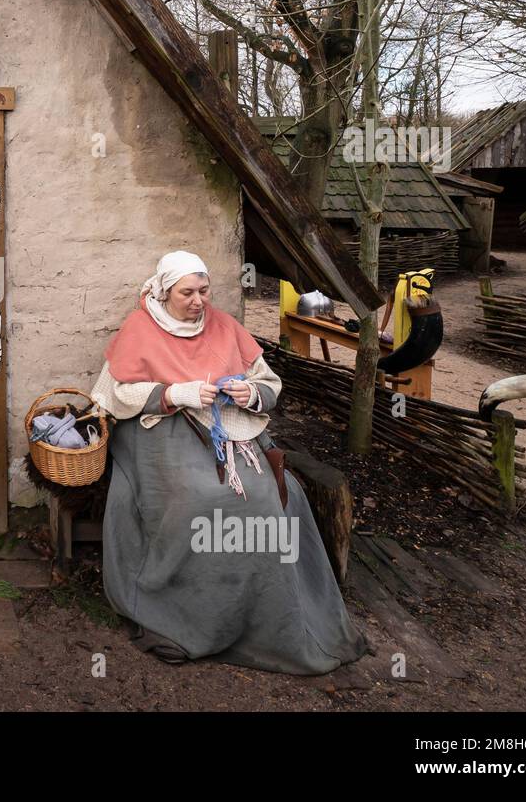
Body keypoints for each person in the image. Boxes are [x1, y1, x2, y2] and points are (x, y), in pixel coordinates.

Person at [90, 250, 368, 675]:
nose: (198, 301)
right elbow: (111, 395)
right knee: (199, 497)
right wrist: (173, 394)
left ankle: (267, 620)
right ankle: (193, 616)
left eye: (204, 290)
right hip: (160, 434)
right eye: (187, 293)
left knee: (275, 495)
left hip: (232, 431)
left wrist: (250, 394)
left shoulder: (223, 326)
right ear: (165, 292)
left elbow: (268, 381)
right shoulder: (140, 328)